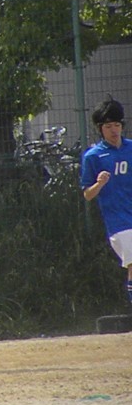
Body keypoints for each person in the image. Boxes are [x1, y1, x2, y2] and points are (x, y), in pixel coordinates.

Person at [81, 96, 132, 307]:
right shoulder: (93, 156)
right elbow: (88, 194)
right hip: (118, 221)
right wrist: (99, 183)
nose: (114, 130)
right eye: (108, 126)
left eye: (117, 125)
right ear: (100, 129)